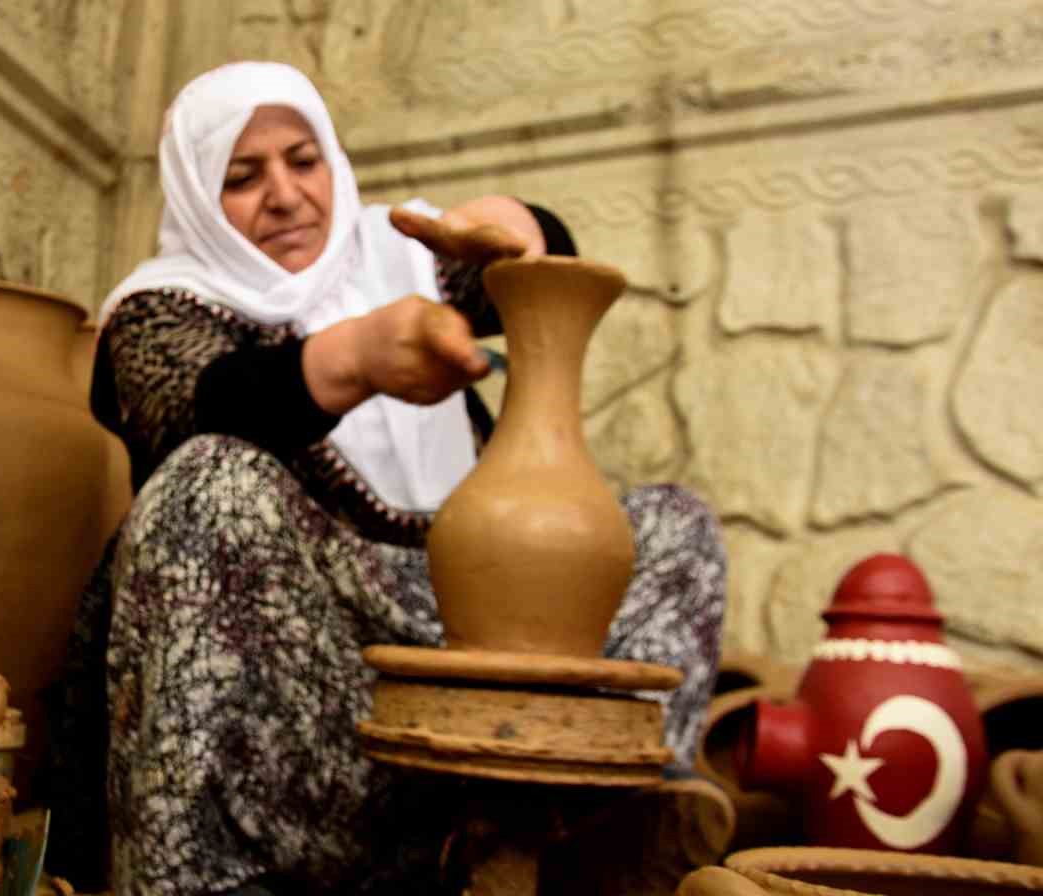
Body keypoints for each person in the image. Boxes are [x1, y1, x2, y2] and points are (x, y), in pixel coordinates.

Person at [41, 61, 728, 896]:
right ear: (193, 195)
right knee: (206, 480)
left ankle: (611, 813)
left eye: (304, 159)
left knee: (671, 522)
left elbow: (521, 273)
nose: (287, 195)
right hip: (318, 695)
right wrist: (356, 357)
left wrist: (522, 227)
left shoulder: (402, 253)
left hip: (473, 659)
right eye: (242, 177)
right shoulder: (159, 310)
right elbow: (193, 408)